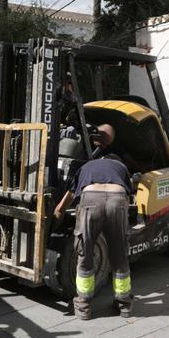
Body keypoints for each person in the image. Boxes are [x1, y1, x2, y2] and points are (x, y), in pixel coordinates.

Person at [54, 130, 132, 321]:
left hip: (91, 200)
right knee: (119, 253)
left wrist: (58, 212)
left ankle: (84, 306)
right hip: (117, 199)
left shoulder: (88, 166)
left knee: (85, 252)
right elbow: (128, 198)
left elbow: (71, 195)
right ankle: (124, 305)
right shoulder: (121, 168)